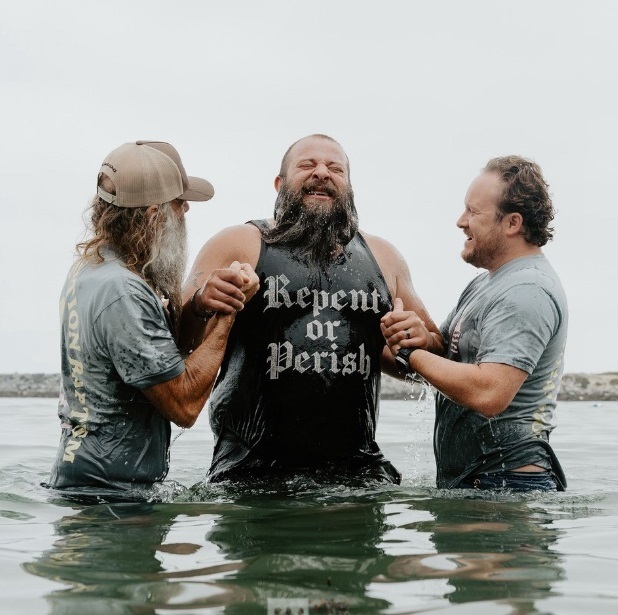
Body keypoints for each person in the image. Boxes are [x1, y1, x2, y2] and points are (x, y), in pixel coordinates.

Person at [183, 134, 443, 484]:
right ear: (279, 184)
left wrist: (417, 342)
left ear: (348, 187)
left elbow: (435, 359)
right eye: (307, 165)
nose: (321, 172)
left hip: (357, 478)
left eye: (335, 168)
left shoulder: (384, 257)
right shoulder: (238, 243)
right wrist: (201, 304)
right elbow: (178, 338)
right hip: (250, 477)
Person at [45, 140, 259, 501]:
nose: (186, 210)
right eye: (179, 204)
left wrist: (201, 306)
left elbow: (154, 353)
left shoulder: (92, 269)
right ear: (152, 216)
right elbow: (184, 404)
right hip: (111, 499)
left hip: (85, 482)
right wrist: (230, 310)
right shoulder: (123, 292)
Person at [381, 156, 568, 492]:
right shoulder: (487, 284)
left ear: (512, 223)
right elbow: (444, 360)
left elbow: (490, 392)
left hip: (509, 484)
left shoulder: (527, 290)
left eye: (472, 212)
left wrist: (411, 355)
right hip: (479, 483)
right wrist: (420, 341)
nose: (460, 222)